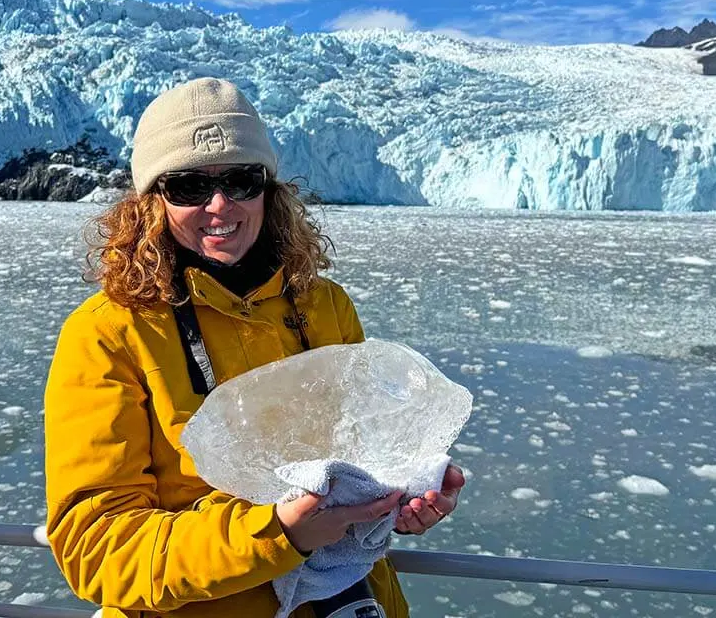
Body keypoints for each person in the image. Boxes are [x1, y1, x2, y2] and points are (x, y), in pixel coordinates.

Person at [43, 77, 465, 618]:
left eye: (242, 180)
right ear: (152, 203)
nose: (220, 205)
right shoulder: (110, 332)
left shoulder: (324, 305)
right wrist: (276, 533)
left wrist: (401, 496)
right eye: (189, 187)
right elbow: (96, 551)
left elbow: (363, 461)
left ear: (270, 190)